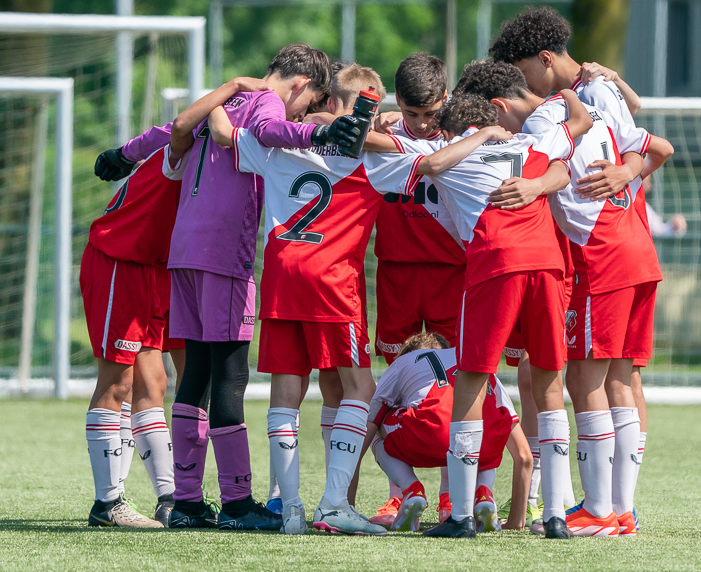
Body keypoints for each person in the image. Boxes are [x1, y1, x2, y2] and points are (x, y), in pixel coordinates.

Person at [207, 65, 511, 536]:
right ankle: (334, 504)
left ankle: (289, 510)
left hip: (283, 274)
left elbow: (224, 131)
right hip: (333, 282)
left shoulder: (284, 141)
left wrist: (234, 92)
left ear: (329, 100)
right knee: (362, 390)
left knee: (285, 394)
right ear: (373, 106)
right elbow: (431, 163)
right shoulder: (371, 158)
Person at [364, 89, 594, 538]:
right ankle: (554, 516)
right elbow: (580, 125)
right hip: (546, 264)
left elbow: (383, 149)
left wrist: (382, 119)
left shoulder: (445, 151)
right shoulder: (533, 143)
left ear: (450, 129)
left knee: (470, 378)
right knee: (549, 382)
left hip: (495, 264)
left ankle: (461, 514)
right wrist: (567, 93)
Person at [491, 6, 672, 530]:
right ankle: (618, 510)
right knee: (618, 379)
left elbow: (555, 168)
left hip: (602, 251)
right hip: (634, 244)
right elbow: (655, 145)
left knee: (588, 380)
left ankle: (599, 508)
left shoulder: (560, 111)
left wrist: (536, 185)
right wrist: (629, 169)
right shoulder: (594, 91)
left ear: (544, 61)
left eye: (523, 71)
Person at [164, 46, 332, 531]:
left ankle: (188, 501)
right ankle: (237, 503)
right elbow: (270, 130)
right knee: (231, 374)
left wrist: (124, 154)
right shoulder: (269, 103)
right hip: (223, 253)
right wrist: (320, 131)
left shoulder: (219, 102)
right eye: (308, 102)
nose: (300, 112)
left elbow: (166, 132)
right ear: (300, 84)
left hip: (186, 247)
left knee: (195, 369)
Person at [367, 53, 462, 527]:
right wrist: (375, 121)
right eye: (412, 114)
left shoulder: (462, 137)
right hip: (398, 271)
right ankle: (399, 494)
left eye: (431, 114)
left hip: (452, 272)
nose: (423, 126)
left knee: (453, 383)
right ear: (397, 104)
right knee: (397, 384)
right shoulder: (382, 135)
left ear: (446, 100)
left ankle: (452, 495)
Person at [82, 129, 187, 528]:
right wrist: (240, 86)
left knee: (154, 383)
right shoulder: (189, 144)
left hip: (151, 269)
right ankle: (107, 504)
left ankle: (169, 498)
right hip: (119, 261)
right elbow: (179, 127)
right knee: (118, 382)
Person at [365, 332, 531, 534]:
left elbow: (370, 419)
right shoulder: (477, 362)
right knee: (487, 425)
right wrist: (516, 521)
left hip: (427, 434)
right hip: (479, 445)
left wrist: (345, 489)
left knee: (377, 419)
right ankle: (484, 493)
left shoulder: (402, 362)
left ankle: (411, 489)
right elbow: (524, 456)